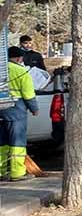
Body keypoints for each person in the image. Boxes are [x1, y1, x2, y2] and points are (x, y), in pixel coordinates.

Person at [0, 46, 39, 180]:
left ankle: (1, 172)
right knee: (17, 142)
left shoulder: (2, 70)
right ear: (18, 58)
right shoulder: (21, 72)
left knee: (2, 142)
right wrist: (34, 109)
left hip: (1, 111)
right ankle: (17, 173)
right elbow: (28, 94)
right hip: (16, 111)